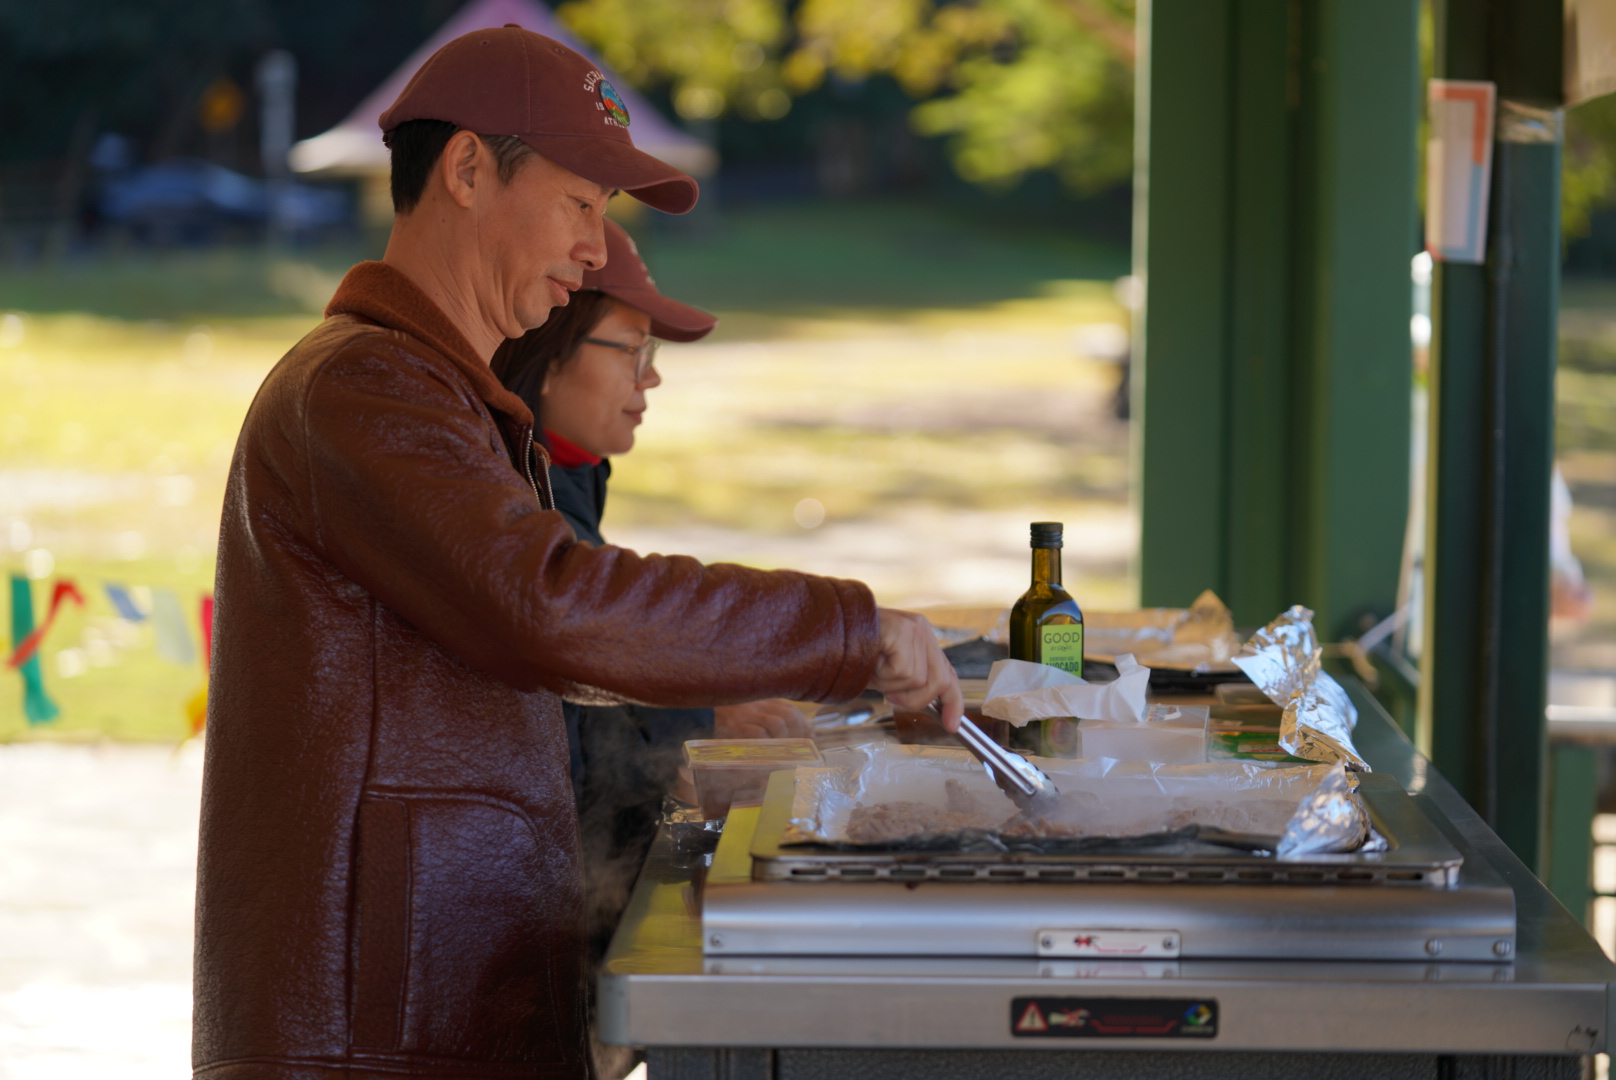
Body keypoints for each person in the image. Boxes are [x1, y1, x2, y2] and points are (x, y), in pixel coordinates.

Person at [193, 26, 962, 1080]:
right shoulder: (366, 388)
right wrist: (841, 632)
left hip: (432, 996)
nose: (599, 250)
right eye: (579, 204)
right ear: (468, 170)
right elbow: (549, 603)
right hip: (371, 1030)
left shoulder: (443, 396)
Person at [491, 219, 806, 981]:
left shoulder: (565, 482)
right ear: (547, 357)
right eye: (632, 349)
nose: (651, 377)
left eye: (651, 354)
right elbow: (547, 729)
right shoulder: (514, 509)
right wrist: (693, 726)